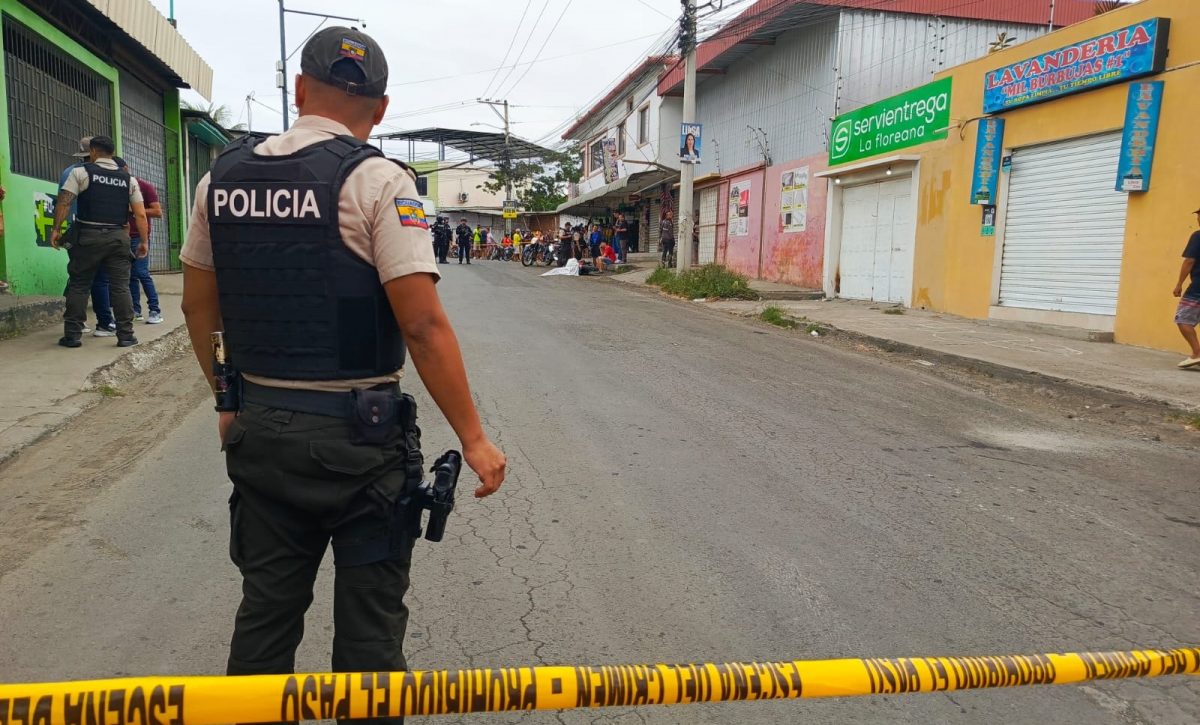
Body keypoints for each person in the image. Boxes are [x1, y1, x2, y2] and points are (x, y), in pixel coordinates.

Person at [178, 28, 506, 716]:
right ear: (380, 109)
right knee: (369, 640)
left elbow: (198, 305)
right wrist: (473, 438)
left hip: (262, 430)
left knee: (265, 617)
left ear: (300, 90)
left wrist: (227, 397)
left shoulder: (220, 180)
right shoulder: (381, 181)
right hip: (362, 443)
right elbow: (421, 324)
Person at [49, 135, 148, 349]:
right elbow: (140, 214)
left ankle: (73, 335)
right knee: (120, 287)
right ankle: (126, 335)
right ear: (112, 153)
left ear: (93, 152)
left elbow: (64, 202)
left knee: (79, 285)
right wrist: (144, 241)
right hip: (118, 238)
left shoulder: (81, 172)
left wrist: (56, 229)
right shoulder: (128, 180)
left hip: (88, 237)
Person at [59, 138, 116, 337]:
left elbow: (63, 203)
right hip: (98, 231)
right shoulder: (101, 173)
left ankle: (76, 324)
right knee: (98, 280)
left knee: (78, 279)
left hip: (76, 233)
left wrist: (57, 230)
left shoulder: (70, 172)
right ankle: (104, 323)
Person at [115, 157, 164, 324]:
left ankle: (155, 310)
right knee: (130, 276)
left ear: (126, 168)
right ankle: (135, 310)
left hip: (139, 236)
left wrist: (134, 209)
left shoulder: (144, 186)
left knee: (142, 273)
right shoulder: (115, 186)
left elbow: (157, 212)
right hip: (122, 236)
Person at [1173, 207, 1200, 369]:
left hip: (1198, 288)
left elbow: (1189, 261)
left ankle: (1197, 353)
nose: (1198, 219)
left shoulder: (1198, 236)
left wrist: (1179, 284)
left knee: (1183, 318)